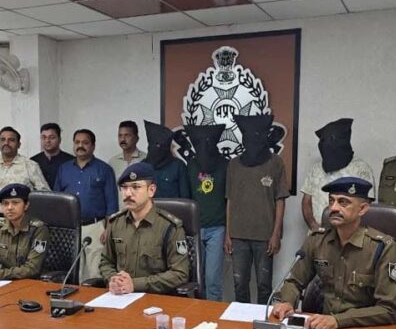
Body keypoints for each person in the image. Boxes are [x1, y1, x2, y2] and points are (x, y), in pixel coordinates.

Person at [271, 177, 396, 329]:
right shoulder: (317, 240)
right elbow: (294, 281)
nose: (333, 208)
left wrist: (338, 320)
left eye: (343, 202)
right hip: (322, 327)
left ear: (362, 209)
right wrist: (287, 302)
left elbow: (388, 310)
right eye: (331, 201)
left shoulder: (383, 248)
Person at [225, 114, 289, 304]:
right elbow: (229, 200)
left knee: (264, 285)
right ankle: (241, 319)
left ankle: (262, 319)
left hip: (265, 236)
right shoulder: (234, 164)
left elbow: (280, 200)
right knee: (239, 284)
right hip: (238, 235)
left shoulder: (275, 162)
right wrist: (228, 234)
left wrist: (276, 234)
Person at [100, 162, 190, 295]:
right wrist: (113, 279)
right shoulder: (116, 223)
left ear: (151, 190)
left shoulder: (169, 227)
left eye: (136, 187)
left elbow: (180, 274)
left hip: (156, 298)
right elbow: (106, 262)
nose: (128, 193)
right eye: (124, 187)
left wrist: (135, 285)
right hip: (120, 297)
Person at [54, 129, 118, 280]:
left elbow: (112, 202)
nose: (80, 146)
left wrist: (109, 229)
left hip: (95, 228)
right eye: (77, 142)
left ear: (93, 146)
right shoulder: (64, 169)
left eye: (85, 142)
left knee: (94, 272)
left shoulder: (104, 169)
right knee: (72, 272)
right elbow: (57, 200)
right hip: (69, 228)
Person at [299, 118, 375, 232]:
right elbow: (306, 201)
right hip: (318, 233)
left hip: (350, 234)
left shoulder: (361, 169)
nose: (326, 144)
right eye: (323, 141)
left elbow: (367, 205)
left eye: (331, 140)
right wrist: (313, 226)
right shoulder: (316, 169)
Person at [185, 123, 227, 301]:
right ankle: (199, 313)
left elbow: (230, 199)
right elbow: (186, 198)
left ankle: (213, 314)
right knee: (196, 279)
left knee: (212, 279)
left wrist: (229, 232)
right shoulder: (191, 165)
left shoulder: (225, 164)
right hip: (195, 229)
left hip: (217, 228)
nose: (204, 146)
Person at [0, 126, 50, 212]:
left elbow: (45, 194)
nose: (6, 143)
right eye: (3, 140)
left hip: (23, 218)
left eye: (11, 140)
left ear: (19, 144)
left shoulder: (30, 165)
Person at [143, 120, 191, 199]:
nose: (158, 149)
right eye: (155, 145)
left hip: (172, 207)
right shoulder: (142, 167)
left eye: (161, 146)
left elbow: (185, 198)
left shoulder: (178, 166)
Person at [108, 120, 146, 210]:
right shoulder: (113, 162)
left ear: (137, 138)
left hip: (140, 212)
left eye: (127, 135)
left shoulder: (146, 160)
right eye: (120, 136)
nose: (123, 139)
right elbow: (110, 191)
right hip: (119, 213)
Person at [31, 122, 73, 189]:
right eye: (44, 137)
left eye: (52, 137)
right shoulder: (33, 162)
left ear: (59, 140)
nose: (47, 140)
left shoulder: (71, 161)